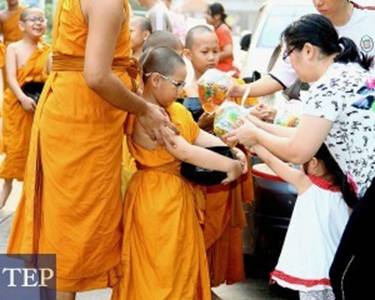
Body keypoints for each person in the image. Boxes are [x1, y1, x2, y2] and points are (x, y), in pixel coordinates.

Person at [7, 0, 177, 299]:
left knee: (57, 220)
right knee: (72, 225)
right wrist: (143, 109)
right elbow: (97, 76)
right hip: (82, 121)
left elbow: (64, 60)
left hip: (72, 109)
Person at [225, 14, 375, 300]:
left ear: (308, 50)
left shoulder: (328, 85)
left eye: (288, 55)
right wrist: (253, 125)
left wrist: (255, 138)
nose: (288, 64)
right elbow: (299, 136)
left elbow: (298, 150)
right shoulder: (349, 72)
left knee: (345, 275)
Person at [112, 46, 244, 300]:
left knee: (180, 266)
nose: (182, 90)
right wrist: (229, 166)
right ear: (156, 80)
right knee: (160, 271)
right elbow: (185, 151)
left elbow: (197, 136)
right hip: (155, 200)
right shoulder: (147, 115)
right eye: (177, 84)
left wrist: (228, 148)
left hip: (177, 197)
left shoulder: (176, 109)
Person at [183, 25, 253, 291]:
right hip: (198, 170)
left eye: (216, 50)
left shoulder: (228, 85)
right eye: (205, 51)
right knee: (197, 230)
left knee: (219, 230)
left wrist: (253, 117)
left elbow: (242, 116)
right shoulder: (182, 88)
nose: (212, 56)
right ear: (188, 53)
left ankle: (206, 285)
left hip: (226, 169)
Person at [253, 143, 352, 300]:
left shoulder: (307, 184)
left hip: (314, 270)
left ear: (313, 163)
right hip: (341, 269)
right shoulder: (350, 193)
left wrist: (254, 144)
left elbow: (272, 162)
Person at [229, 0, 375, 99]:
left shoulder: (370, 21)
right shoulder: (306, 30)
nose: (318, 2)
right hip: (324, 124)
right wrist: (240, 90)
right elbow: (279, 77)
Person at [0, 7, 49, 210]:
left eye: (42, 19)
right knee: (14, 154)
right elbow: (10, 77)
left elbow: (51, 79)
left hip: (37, 107)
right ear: (21, 25)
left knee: (36, 153)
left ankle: (32, 205)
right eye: (33, 20)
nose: (38, 23)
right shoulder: (14, 48)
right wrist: (21, 98)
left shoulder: (48, 51)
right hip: (17, 107)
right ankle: (3, 200)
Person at [205, 3, 238, 75]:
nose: (205, 16)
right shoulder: (217, 29)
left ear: (217, 16)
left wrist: (211, 58)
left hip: (223, 70)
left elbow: (228, 51)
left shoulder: (222, 30)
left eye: (208, 14)